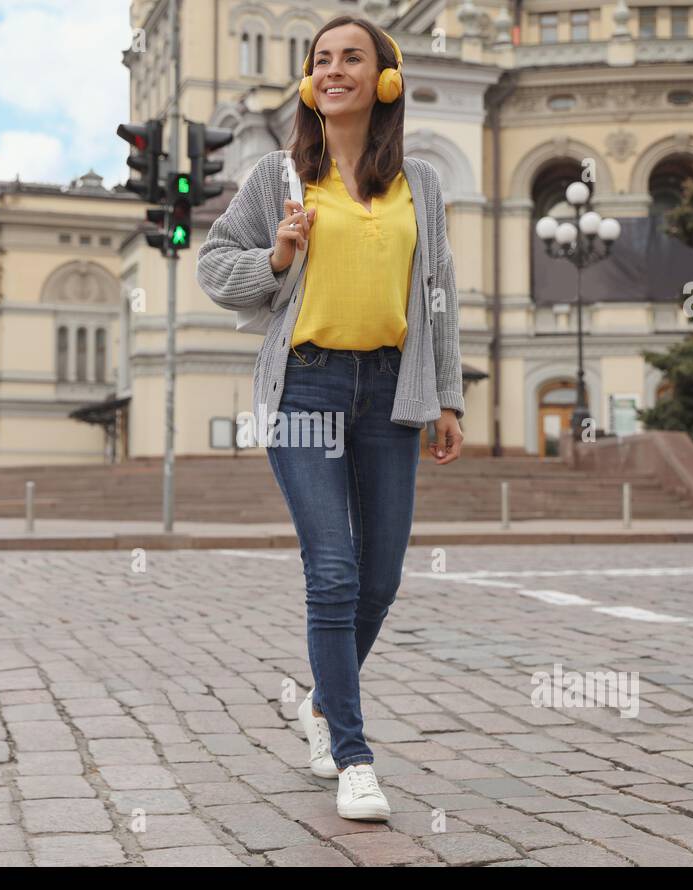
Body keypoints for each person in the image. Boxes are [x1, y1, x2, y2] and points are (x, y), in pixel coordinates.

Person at [196, 14, 465, 821]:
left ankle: (320, 701)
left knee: (380, 578)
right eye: (323, 60)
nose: (336, 69)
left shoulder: (421, 182)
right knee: (335, 572)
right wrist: (276, 256)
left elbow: (441, 294)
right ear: (311, 83)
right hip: (307, 389)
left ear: (386, 78)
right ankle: (352, 755)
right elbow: (215, 266)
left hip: (392, 390)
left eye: (354, 58)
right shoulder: (274, 176)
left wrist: (447, 395)